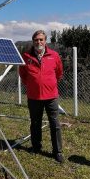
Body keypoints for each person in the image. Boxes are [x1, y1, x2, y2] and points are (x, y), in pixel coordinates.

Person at [19, 30, 64, 163]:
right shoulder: (26, 56)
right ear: (33, 42)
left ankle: (58, 152)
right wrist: (33, 84)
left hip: (51, 96)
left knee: (55, 124)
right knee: (35, 123)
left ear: (45, 41)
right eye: (36, 40)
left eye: (41, 39)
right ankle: (36, 147)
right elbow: (23, 74)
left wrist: (49, 84)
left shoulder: (54, 55)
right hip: (34, 97)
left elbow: (59, 73)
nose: (38, 42)